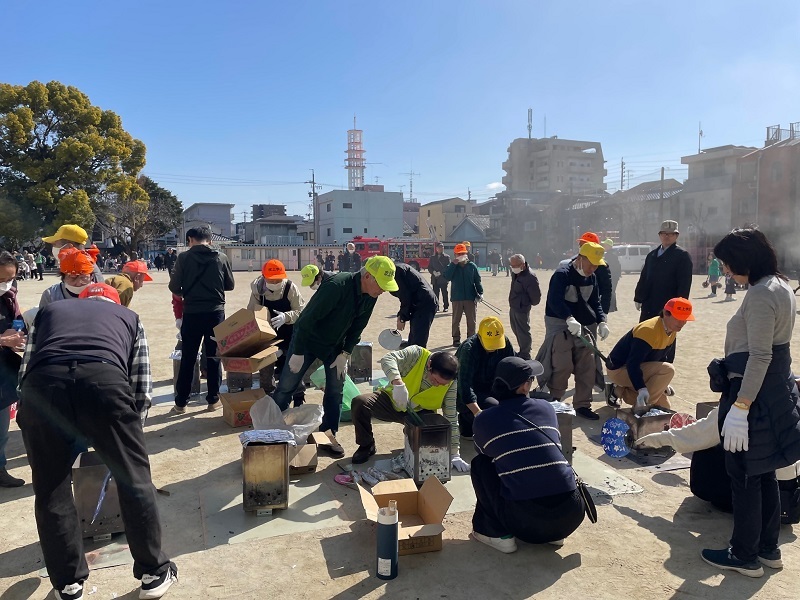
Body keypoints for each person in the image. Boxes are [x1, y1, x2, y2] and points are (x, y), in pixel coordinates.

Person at [17, 283, 178, 600]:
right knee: (134, 481)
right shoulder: (128, 317)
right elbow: (141, 384)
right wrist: (128, 437)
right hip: (103, 382)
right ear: (114, 302)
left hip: (43, 386)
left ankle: (68, 584)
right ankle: (154, 573)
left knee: (51, 489)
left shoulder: (49, 312)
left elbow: (27, 367)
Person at [700, 227, 800, 577]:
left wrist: (740, 408)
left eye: (728, 264)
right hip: (774, 389)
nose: (727, 271)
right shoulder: (780, 285)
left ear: (745, 260)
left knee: (743, 474)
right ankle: (768, 548)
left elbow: (760, 355)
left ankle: (743, 554)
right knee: (764, 469)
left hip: (752, 392)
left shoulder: (759, 294)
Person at [271, 256, 398, 458]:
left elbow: (358, 327)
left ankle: (328, 436)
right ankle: (271, 433)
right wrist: (298, 352)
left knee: (335, 391)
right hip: (307, 341)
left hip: (335, 345)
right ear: (367, 276)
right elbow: (305, 322)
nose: (383, 290)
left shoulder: (370, 295)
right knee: (287, 385)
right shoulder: (337, 286)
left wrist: (345, 353)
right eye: (381, 284)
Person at [471, 357, 585, 553]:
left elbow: (485, 453)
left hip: (525, 524)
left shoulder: (484, 419)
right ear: (524, 386)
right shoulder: (546, 408)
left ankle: (495, 533)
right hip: (571, 514)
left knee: (481, 464)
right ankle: (555, 535)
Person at [350, 346, 466, 471]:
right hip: (391, 401)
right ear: (429, 365)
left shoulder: (451, 383)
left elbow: (451, 416)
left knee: (430, 438)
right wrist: (398, 383)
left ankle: (412, 442)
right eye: (435, 380)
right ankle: (367, 445)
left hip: (420, 414)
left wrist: (454, 453)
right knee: (360, 402)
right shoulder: (417, 355)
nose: (437, 385)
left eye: (442, 384)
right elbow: (388, 359)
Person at [535, 242, 609, 420]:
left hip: (581, 325)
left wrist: (601, 321)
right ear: (580, 258)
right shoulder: (562, 275)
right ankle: (555, 401)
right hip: (559, 323)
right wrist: (568, 318)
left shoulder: (592, 277)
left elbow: (595, 302)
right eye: (591, 264)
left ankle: (583, 404)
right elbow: (554, 301)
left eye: (596, 265)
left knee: (587, 365)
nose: (593, 268)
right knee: (562, 364)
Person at [168, 227, 235, 414]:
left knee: (188, 357)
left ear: (190, 239)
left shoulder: (183, 258)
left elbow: (174, 286)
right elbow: (230, 285)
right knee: (213, 356)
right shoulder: (221, 257)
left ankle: (181, 403)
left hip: (192, 313)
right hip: (215, 313)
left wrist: (189, 293)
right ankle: (213, 400)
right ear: (210, 240)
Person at [605, 298, 694, 412]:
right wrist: (641, 388)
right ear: (666, 313)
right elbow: (633, 364)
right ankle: (640, 410)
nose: (682, 323)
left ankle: (619, 391)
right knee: (668, 370)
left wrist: (662, 383)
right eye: (678, 318)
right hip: (620, 370)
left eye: (685, 319)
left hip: (639, 368)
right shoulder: (648, 330)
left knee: (665, 407)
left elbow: (661, 358)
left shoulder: (671, 329)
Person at [247, 259, 305, 398]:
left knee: (293, 367)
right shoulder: (257, 290)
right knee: (265, 368)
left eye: (278, 280)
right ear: (264, 277)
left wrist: (286, 317)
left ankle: (298, 396)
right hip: (267, 336)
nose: (274, 283)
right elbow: (251, 314)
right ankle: (268, 396)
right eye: (271, 280)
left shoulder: (290, 288)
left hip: (289, 333)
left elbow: (301, 311)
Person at [455, 317, 515, 438]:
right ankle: (467, 419)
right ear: (479, 336)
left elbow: (513, 368)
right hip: (470, 394)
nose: (493, 347)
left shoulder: (505, 343)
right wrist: (478, 414)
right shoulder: (469, 349)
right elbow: (464, 386)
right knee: (492, 409)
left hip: (493, 388)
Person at [0, 251, 27, 487]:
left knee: (1, 430)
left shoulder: (9, 296)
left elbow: (17, 324)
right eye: (1, 279)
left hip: (3, 374)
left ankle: (0, 469)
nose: (6, 284)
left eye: (11, 279)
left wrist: (18, 338)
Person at [634, 220, 693, 322]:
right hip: (648, 304)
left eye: (671, 234)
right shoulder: (652, 255)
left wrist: (680, 306)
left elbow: (684, 284)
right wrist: (638, 297)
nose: (666, 236)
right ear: (659, 235)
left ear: (676, 236)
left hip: (668, 306)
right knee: (645, 330)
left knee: (665, 331)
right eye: (664, 233)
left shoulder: (682, 256)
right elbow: (644, 277)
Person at [390, 261, 438, 348]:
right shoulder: (398, 268)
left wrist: (402, 318)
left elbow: (405, 296)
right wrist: (402, 315)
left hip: (424, 303)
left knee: (418, 340)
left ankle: (418, 355)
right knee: (414, 336)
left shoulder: (397, 271)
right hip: (419, 302)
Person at [444, 243, 483, 347]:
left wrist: (480, 293)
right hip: (457, 297)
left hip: (471, 297)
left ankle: (471, 339)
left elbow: (477, 280)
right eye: (459, 254)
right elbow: (447, 277)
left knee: (471, 320)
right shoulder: (452, 266)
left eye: (463, 253)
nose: (461, 255)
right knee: (456, 320)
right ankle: (456, 339)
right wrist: (453, 265)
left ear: (466, 254)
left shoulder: (472, 266)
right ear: (455, 255)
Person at [508, 253, 541, 360]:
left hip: (522, 308)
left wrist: (525, 302)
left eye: (515, 266)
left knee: (523, 331)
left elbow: (536, 297)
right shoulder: (516, 273)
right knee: (515, 329)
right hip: (514, 306)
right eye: (511, 266)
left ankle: (525, 353)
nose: (513, 268)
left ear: (522, 265)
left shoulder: (530, 277)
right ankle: (522, 350)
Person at [428, 242, 450, 312]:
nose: (441, 248)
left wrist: (440, 272)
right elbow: (429, 267)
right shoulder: (432, 257)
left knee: (444, 293)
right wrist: (433, 272)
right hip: (435, 278)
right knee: (435, 293)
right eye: (439, 247)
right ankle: (436, 307)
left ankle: (446, 306)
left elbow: (448, 267)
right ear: (436, 248)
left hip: (443, 278)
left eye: (442, 247)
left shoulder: (447, 257)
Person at [600, 239, 621, 313]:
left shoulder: (611, 255)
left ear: (609, 246)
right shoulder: (610, 254)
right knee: (612, 291)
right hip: (614, 275)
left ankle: (611, 307)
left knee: (611, 291)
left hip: (613, 276)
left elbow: (614, 267)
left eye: (605, 245)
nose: (603, 246)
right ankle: (613, 307)